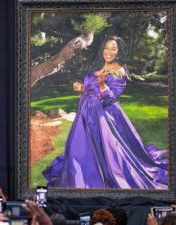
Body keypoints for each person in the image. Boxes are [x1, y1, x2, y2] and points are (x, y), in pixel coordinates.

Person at [42, 36, 168, 189]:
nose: (108, 52)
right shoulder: (98, 65)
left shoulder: (119, 70)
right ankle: (79, 176)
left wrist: (102, 84)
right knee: (79, 149)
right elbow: (88, 88)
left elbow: (110, 98)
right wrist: (80, 87)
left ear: (119, 51)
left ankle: (96, 178)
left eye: (113, 48)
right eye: (106, 48)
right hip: (85, 112)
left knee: (108, 154)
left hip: (103, 117)